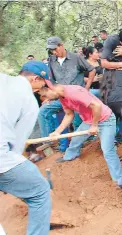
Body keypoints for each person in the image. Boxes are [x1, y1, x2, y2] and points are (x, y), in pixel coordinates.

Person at [39, 83, 122, 189]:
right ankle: (70, 156)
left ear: (51, 88)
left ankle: (121, 181)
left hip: (105, 119)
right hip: (89, 121)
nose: (47, 100)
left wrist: (94, 125)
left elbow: (97, 105)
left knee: (108, 150)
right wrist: (57, 132)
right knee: (76, 140)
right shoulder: (62, 98)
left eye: (45, 96)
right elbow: (69, 114)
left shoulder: (73, 92)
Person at [0, 61, 52, 235]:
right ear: (35, 79)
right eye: (43, 84)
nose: (42, 88)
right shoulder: (29, 101)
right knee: (40, 191)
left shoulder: (3, 79)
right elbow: (16, 145)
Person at [39, 36, 96, 152]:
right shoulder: (51, 61)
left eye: (55, 49)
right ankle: (50, 141)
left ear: (61, 45)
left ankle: (78, 146)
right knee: (44, 111)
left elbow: (92, 69)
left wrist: (87, 87)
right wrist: (52, 95)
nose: (54, 52)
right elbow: (53, 80)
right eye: (51, 50)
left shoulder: (76, 58)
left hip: (78, 97)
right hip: (62, 97)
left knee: (76, 120)